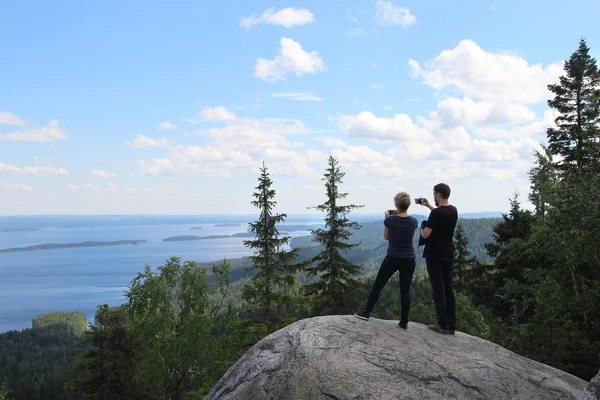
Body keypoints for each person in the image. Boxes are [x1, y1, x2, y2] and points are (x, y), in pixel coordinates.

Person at [354, 192, 418, 330]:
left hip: (393, 257)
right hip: (409, 258)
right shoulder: (414, 221)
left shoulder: (390, 220)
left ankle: (366, 312)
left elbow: (386, 237)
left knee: (378, 285)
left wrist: (387, 218)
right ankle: (404, 322)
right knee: (405, 290)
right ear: (408, 205)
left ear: (396, 205)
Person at [419, 183, 458, 335]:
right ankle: (452, 325)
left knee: (438, 288)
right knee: (449, 287)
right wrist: (429, 206)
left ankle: (442, 324)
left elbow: (426, 234)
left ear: (439, 194)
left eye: (434, 194)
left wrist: (422, 229)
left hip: (435, 253)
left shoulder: (436, 214)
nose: (433, 196)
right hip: (449, 252)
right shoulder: (453, 210)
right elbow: (440, 215)